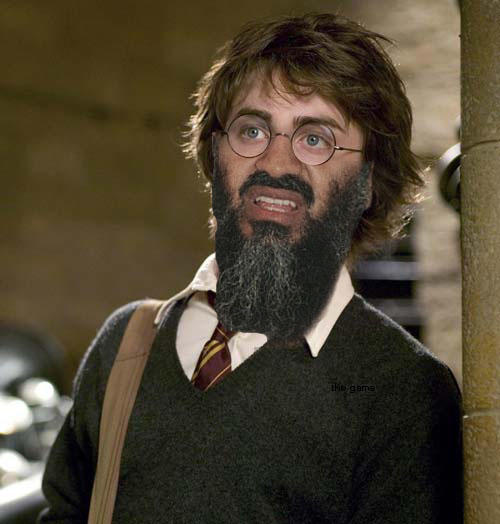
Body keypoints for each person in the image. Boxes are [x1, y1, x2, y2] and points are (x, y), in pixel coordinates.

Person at [39, 12, 463, 523]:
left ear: (367, 183)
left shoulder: (404, 392)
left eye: (315, 139)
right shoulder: (125, 345)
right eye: (253, 130)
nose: (276, 164)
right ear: (216, 156)